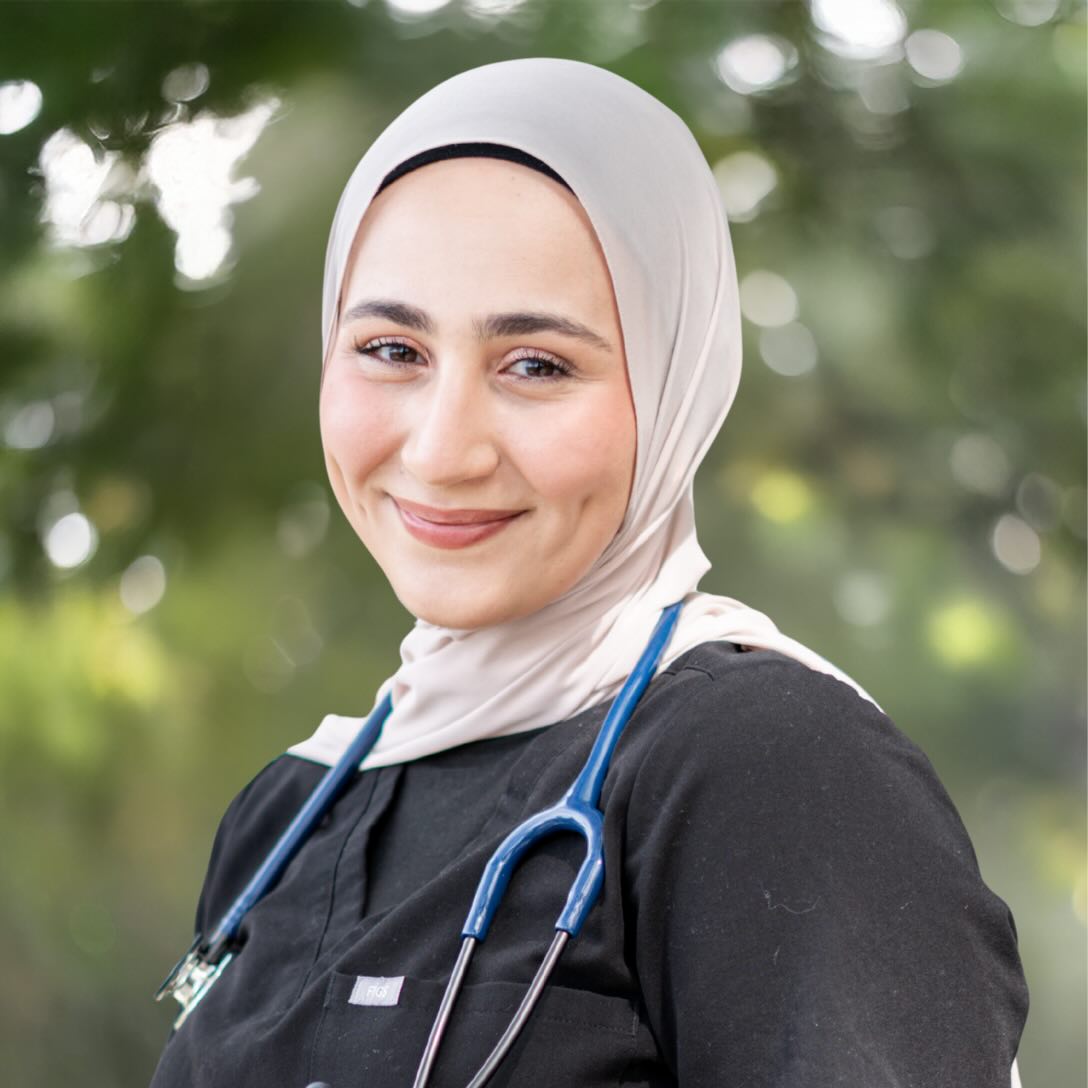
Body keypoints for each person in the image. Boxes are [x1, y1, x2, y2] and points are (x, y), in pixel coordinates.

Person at [149, 58, 1028, 1087]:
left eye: (536, 365)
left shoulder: (767, 768)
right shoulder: (289, 814)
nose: (441, 449)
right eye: (390, 347)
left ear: (670, 385)